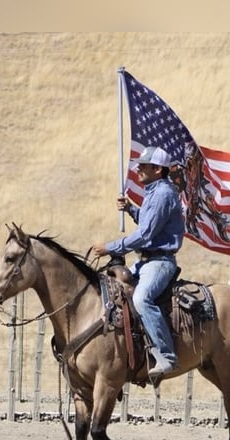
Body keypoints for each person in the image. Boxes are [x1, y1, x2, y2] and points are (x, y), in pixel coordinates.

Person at [92, 145, 185, 378]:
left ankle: (166, 355)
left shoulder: (163, 194)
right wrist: (131, 210)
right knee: (111, 290)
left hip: (159, 262)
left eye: (143, 166)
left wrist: (110, 247)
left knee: (142, 299)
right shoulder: (154, 192)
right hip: (145, 261)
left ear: (156, 169)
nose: (138, 170)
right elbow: (148, 226)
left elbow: (146, 236)